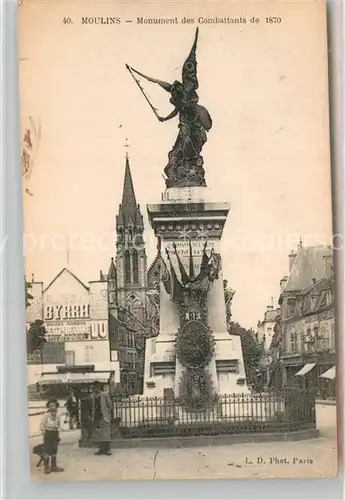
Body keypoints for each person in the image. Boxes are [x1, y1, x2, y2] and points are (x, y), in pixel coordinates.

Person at [40, 398, 64, 474]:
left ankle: (53, 466)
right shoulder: (46, 415)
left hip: (55, 433)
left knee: (54, 449)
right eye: (51, 406)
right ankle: (46, 467)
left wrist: (59, 430)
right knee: (48, 450)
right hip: (48, 433)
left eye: (54, 405)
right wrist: (45, 432)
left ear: (56, 406)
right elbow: (42, 425)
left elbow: (58, 424)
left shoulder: (57, 415)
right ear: (48, 407)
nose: (53, 407)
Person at [91, 381, 113, 456]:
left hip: (104, 416)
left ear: (99, 388)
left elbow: (110, 406)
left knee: (106, 434)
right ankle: (101, 449)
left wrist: (107, 414)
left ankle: (107, 449)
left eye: (95, 388)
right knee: (99, 434)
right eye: (93, 388)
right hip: (97, 417)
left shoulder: (105, 395)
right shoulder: (93, 396)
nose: (94, 390)